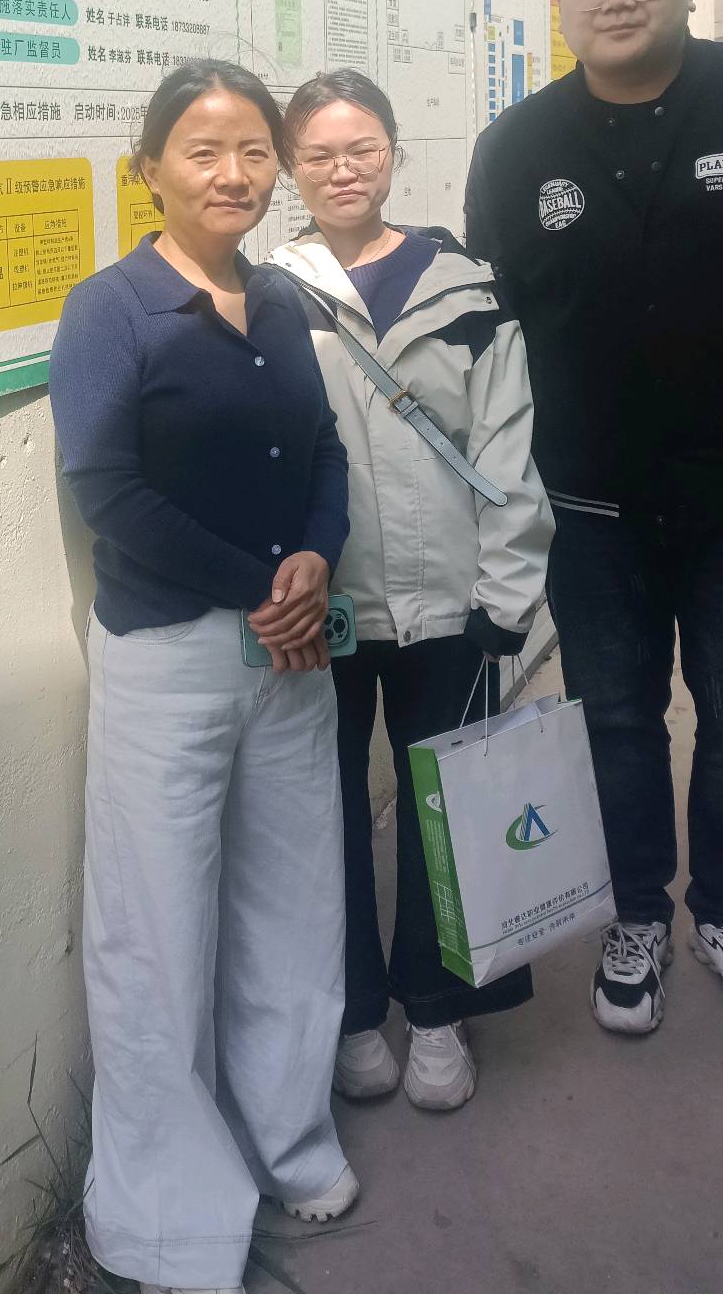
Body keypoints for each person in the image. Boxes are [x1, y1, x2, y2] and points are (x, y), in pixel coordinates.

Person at [49, 60, 359, 1294]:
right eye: (202, 150)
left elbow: (325, 451)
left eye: (253, 151)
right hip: (172, 658)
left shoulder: (278, 300)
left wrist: (317, 559)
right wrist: (262, 584)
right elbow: (107, 492)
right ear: (149, 171)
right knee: (157, 936)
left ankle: (291, 1143)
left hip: (291, 650)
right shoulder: (110, 310)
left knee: (295, 905)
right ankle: (167, 1219)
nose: (234, 174)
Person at [465, 0, 723, 1035]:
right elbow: (488, 324)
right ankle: (637, 914)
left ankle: (720, 899)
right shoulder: (516, 147)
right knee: (615, 718)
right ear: (561, 2)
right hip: (590, 504)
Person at [268, 70, 553, 1112]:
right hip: (324, 611)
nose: (343, 170)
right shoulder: (267, 291)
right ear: (291, 167)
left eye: (363, 149)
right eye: (318, 154)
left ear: (394, 152)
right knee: (326, 818)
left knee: (447, 811)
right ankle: (354, 1014)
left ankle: (435, 1013)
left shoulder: (466, 288)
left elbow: (507, 448)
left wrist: (507, 595)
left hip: (449, 605)